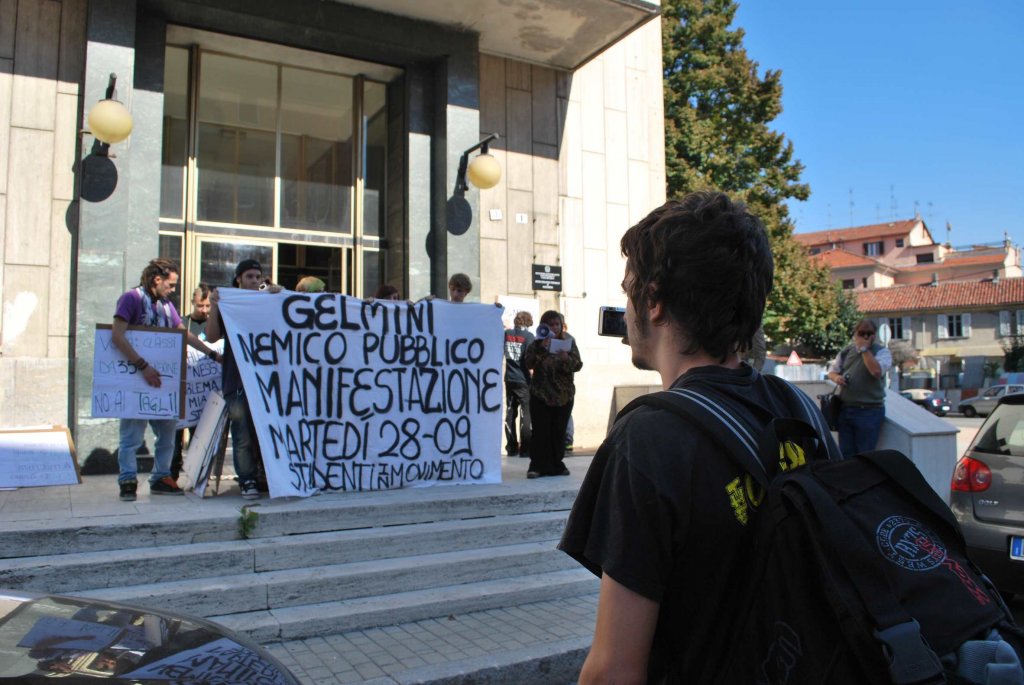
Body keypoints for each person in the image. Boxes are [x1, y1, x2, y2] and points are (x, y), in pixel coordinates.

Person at [559, 192, 822, 683]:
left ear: (654, 301)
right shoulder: (801, 411)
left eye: (630, 288)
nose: (628, 306)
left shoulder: (649, 437)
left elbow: (614, 670)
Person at [112, 259, 221, 502]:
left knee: (167, 431)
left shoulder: (166, 305)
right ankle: (127, 479)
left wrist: (212, 354)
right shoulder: (131, 299)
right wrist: (143, 366)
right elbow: (117, 336)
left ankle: (161, 477)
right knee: (131, 434)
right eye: (170, 284)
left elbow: (184, 334)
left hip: (161, 380)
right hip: (136, 377)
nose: (173, 289)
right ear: (157, 279)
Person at [206, 258, 266, 500]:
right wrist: (215, 306)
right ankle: (247, 479)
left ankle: (262, 474)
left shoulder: (266, 302)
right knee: (242, 433)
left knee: (262, 431)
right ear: (238, 280)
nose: (254, 281)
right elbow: (211, 337)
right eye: (249, 276)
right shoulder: (229, 304)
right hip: (237, 380)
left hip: (263, 381)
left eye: (257, 277)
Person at [523, 310, 581, 478]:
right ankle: (536, 466)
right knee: (540, 431)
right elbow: (528, 363)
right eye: (550, 324)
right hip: (541, 394)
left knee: (558, 431)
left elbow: (577, 365)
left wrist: (566, 359)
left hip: (563, 395)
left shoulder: (569, 342)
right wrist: (541, 349)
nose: (554, 328)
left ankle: (557, 464)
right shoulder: (537, 343)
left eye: (557, 324)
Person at [827, 317, 892, 457]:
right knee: (845, 454)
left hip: (870, 410)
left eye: (869, 333)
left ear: (875, 335)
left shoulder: (881, 352)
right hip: (846, 408)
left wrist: (864, 350)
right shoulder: (846, 352)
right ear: (855, 334)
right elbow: (832, 371)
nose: (865, 337)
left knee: (866, 454)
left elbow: (876, 371)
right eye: (861, 333)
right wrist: (837, 378)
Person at [171, 283, 214, 479]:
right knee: (175, 434)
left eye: (208, 306)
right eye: (200, 306)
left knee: (200, 433)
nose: (204, 310)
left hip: (206, 391)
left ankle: (197, 471)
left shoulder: (215, 324)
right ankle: (172, 469)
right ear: (192, 303)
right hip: (185, 389)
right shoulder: (182, 322)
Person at [503, 311, 535, 458]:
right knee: (526, 413)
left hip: (509, 378)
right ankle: (525, 448)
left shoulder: (507, 334)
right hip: (523, 379)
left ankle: (511, 447)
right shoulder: (529, 337)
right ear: (528, 322)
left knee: (510, 412)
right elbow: (530, 360)